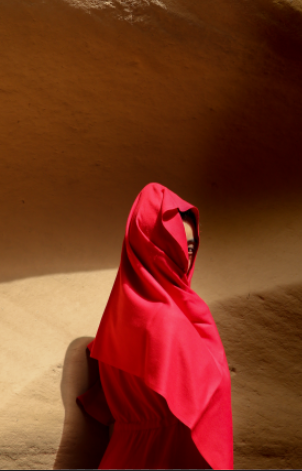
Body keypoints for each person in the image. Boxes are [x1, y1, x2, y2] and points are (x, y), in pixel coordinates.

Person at [53, 183, 233, 470]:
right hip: (166, 457)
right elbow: (207, 407)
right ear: (154, 247)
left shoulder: (119, 319)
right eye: (174, 245)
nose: (185, 258)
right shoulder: (169, 320)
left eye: (191, 247)